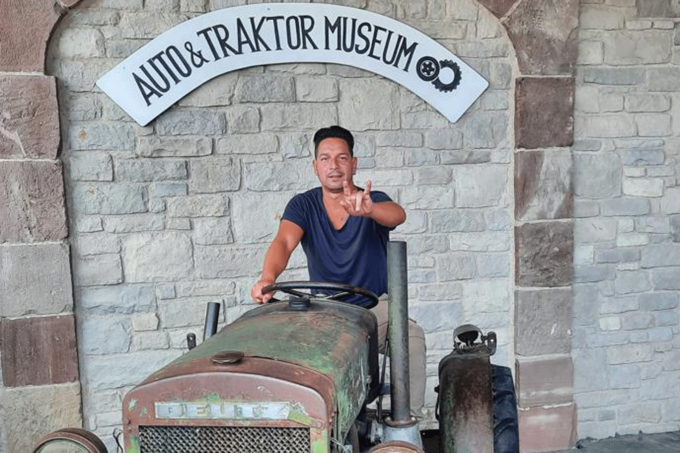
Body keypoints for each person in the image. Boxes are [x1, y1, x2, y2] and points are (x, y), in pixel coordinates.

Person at [250, 125, 426, 415]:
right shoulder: (303, 205)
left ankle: (407, 427)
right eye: (325, 158)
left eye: (342, 158)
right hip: (325, 309)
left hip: (375, 308)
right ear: (315, 167)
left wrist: (370, 210)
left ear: (353, 164)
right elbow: (284, 242)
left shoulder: (371, 199)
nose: (333, 165)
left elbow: (398, 215)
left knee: (413, 339)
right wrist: (267, 278)